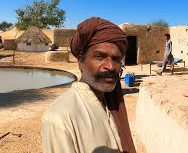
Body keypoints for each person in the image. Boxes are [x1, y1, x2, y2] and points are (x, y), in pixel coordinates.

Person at [42, 17, 136, 153]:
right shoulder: (60, 118)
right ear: (81, 62)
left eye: (116, 59)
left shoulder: (112, 104)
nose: (110, 66)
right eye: (100, 56)